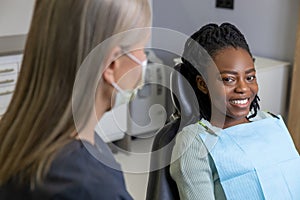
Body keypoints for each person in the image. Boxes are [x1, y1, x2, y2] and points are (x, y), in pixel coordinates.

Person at [0, 0, 151, 199]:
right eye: (142, 48)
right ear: (113, 64)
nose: (144, 59)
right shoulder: (89, 188)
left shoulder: (14, 139)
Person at [170, 23, 300, 200]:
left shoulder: (268, 120)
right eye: (229, 79)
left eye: (250, 77)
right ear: (202, 84)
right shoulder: (194, 142)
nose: (243, 88)